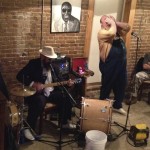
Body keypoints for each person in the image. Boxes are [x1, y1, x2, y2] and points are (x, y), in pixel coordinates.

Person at [16, 46, 76, 141]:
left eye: (51, 58)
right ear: (42, 56)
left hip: (52, 93)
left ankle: (64, 122)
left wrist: (68, 84)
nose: (50, 61)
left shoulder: (53, 66)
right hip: (39, 94)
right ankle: (28, 128)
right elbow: (19, 76)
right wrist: (33, 83)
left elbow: (61, 81)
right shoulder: (33, 64)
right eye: (49, 58)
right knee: (38, 101)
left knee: (66, 96)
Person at [97, 15, 131, 115]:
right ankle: (102, 107)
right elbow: (111, 33)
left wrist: (115, 22)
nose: (107, 21)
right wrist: (112, 24)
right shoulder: (102, 32)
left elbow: (127, 27)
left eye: (108, 19)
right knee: (107, 86)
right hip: (109, 65)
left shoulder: (117, 31)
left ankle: (117, 105)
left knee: (121, 85)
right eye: (105, 20)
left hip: (121, 65)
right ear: (101, 23)